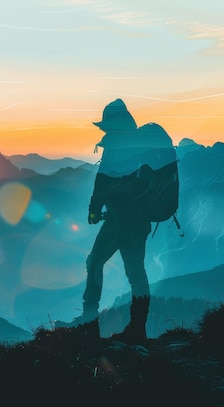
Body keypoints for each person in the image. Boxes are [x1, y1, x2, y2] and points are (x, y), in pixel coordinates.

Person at [58, 98, 177, 345]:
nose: (103, 130)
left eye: (105, 125)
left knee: (95, 261)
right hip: (141, 219)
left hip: (118, 219)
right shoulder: (141, 145)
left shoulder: (116, 144)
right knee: (136, 271)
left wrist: (93, 210)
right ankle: (137, 328)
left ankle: (89, 323)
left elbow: (103, 181)